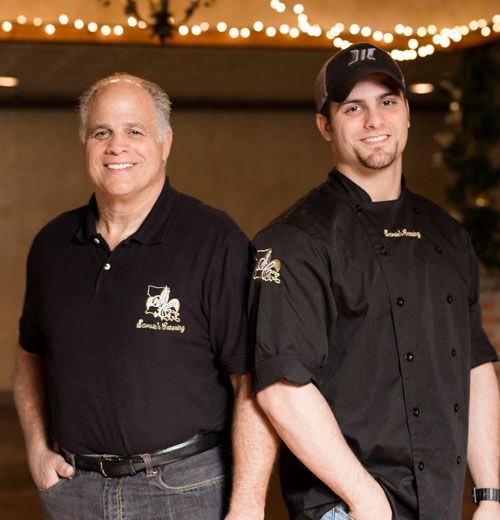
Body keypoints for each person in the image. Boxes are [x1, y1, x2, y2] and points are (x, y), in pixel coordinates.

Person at [249, 43, 500, 520]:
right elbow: (282, 387)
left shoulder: (448, 234)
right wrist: (365, 499)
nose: (374, 120)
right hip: (346, 508)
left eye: (387, 102)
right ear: (325, 125)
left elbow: (473, 362)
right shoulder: (294, 241)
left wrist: (490, 492)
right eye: (353, 107)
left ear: (406, 113)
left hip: (441, 503)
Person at [14, 73, 276, 520]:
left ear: (164, 143)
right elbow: (29, 360)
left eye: (134, 131)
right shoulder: (52, 245)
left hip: (187, 490)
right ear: (85, 145)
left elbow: (250, 384)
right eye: (102, 132)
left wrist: (248, 504)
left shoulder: (215, 241)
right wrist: (37, 448)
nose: (117, 146)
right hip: (74, 493)